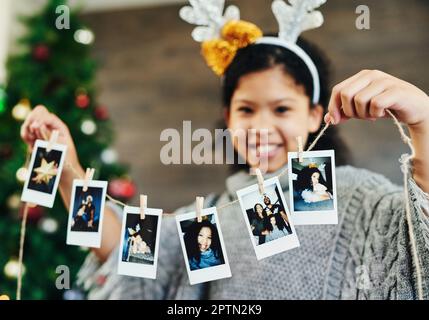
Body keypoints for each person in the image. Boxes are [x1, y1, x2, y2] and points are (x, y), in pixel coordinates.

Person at [20, 1, 429, 299]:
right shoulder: (211, 216)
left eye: (282, 108)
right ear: (228, 118)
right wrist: (67, 170)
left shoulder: (362, 200)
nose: (261, 127)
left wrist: (423, 123)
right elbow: (124, 248)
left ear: (314, 115)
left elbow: (420, 245)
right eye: (246, 109)